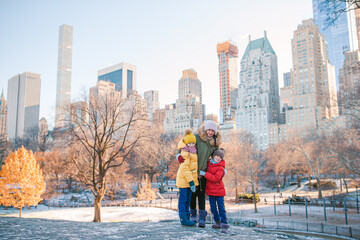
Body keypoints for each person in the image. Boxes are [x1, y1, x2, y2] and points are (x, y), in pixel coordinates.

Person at [177, 120, 221, 228]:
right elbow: (184, 145)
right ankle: (192, 216)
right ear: (205, 129)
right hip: (192, 172)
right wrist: (179, 156)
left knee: (201, 195)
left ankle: (202, 218)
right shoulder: (196, 137)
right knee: (191, 195)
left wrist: (221, 167)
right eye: (208, 130)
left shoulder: (214, 143)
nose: (210, 132)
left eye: (212, 131)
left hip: (202, 172)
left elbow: (217, 157)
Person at [199, 148, 230, 233]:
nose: (218, 158)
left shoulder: (220, 167)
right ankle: (218, 222)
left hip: (219, 191)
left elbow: (216, 178)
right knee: (213, 208)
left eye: (220, 157)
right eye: (217, 156)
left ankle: (224, 224)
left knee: (221, 208)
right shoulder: (209, 163)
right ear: (213, 156)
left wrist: (205, 174)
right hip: (211, 191)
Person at [176, 129, 199, 227]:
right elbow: (185, 169)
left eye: (192, 143)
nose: (191, 145)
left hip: (190, 180)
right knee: (183, 199)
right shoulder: (185, 152)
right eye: (189, 143)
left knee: (188, 199)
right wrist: (191, 182)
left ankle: (186, 218)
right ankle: (183, 218)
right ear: (186, 143)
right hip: (184, 180)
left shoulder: (193, 152)